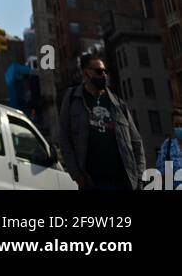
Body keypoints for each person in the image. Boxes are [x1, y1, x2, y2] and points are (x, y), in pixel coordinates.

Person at [58, 53, 146, 192]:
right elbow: (64, 139)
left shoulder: (117, 103)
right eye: (99, 71)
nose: (104, 75)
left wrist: (139, 179)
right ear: (86, 73)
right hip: (92, 183)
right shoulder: (71, 99)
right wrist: (77, 175)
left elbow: (136, 141)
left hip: (123, 182)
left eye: (105, 71)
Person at [155, 107, 182, 189]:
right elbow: (164, 176)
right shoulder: (168, 146)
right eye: (177, 125)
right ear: (173, 126)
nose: (180, 128)